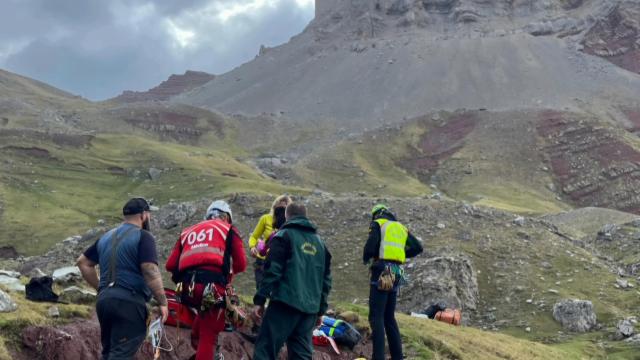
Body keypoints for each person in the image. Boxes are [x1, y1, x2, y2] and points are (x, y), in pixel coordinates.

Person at [77, 198, 168, 360]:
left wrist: (101, 288)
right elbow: (149, 269)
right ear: (143, 215)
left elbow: (82, 262)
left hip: (104, 302)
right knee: (120, 355)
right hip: (129, 303)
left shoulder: (106, 237)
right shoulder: (144, 236)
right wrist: (163, 302)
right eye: (149, 214)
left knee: (110, 353)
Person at [165, 200, 247, 360]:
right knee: (209, 334)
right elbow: (241, 264)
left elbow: (170, 265)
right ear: (227, 217)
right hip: (212, 289)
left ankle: (203, 352)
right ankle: (208, 354)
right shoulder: (228, 229)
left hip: (186, 288)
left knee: (203, 325)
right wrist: (227, 278)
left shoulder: (187, 231)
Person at [252, 203, 332, 360]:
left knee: (265, 350)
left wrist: (260, 300)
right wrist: (321, 310)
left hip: (284, 304)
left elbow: (272, 272)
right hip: (309, 312)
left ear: (287, 216)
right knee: (302, 355)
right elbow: (326, 281)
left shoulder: (283, 236)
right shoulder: (321, 244)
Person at [363, 204, 423, 360]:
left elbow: (370, 246)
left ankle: (378, 357)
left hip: (383, 269)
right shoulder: (401, 227)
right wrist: (402, 253)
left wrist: (367, 257)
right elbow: (418, 247)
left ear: (376, 214)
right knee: (389, 317)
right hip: (397, 271)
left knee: (376, 317)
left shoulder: (378, 223)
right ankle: (398, 357)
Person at [249, 195, 291, 289]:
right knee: (261, 288)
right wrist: (252, 247)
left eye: (285, 208)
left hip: (280, 261)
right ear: (275, 206)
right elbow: (254, 236)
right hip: (262, 259)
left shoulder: (290, 223)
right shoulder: (266, 218)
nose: (281, 210)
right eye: (280, 207)